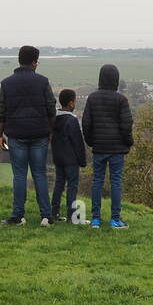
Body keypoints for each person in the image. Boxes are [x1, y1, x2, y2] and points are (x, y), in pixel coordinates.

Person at [0, 45, 56, 226]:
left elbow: (1, 111)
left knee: (19, 175)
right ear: (34, 62)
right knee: (39, 174)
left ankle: (18, 216)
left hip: (16, 134)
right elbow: (51, 108)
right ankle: (46, 216)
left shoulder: (6, 83)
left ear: (19, 60)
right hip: (40, 134)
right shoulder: (43, 82)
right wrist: (51, 130)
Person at [81, 63, 134, 229]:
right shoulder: (121, 100)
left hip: (99, 147)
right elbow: (126, 125)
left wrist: (91, 141)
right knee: (116, 182)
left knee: (97, 181)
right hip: (117, 149)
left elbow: (86, 123)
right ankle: (115, 219)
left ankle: (96, 219)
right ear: (116, 79)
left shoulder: (92, 98)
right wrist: (128, 142)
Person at [51, 89, 87, 223]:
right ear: (71, 103)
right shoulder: (72, 120)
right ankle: (72, 216)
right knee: (72, 186)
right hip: (71, 159)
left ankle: (54, 213)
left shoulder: (55, 118)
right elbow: (77, 142)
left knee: (59, 185)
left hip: (58, 158)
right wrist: (82, 160)